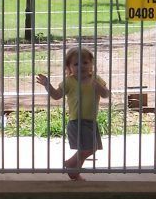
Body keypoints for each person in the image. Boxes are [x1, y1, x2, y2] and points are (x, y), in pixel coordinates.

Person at [36, 46, 110, 181]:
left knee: (90, 148)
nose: (81, 66)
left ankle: (74, 171)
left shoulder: (96, 79)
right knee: (87, 149)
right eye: (76, 64)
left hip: (91, 120)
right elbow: (56, 95)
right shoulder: (69, 81)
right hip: (76, 121)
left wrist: (98, 86)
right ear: (69, 67)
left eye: (85, 62)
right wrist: (48, 85)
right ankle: (71, 164)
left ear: (91, 64)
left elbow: (106, 94)